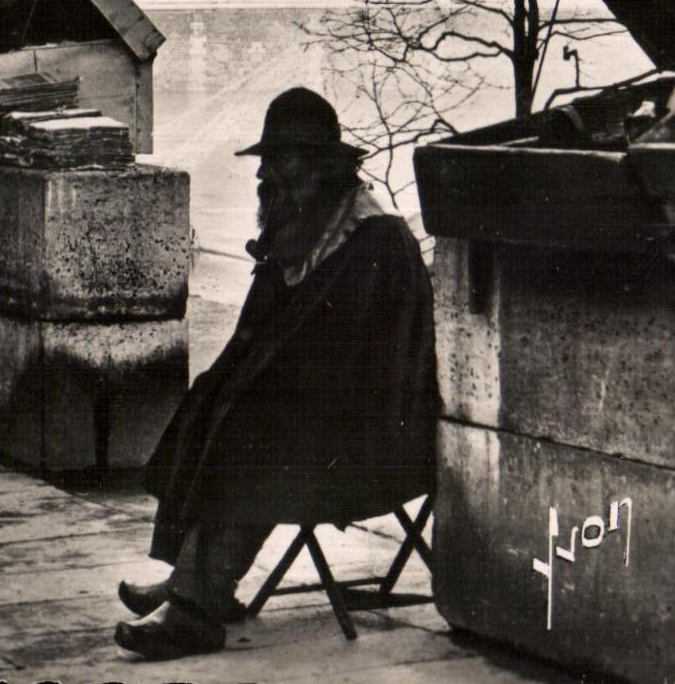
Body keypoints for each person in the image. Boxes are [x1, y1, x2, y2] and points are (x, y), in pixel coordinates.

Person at [114, 85, 438, 662]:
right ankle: (192, 580)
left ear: (325, 168)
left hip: (370, 437)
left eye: (283, 161)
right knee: (213, 398)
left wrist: (266, 394)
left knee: (254, 429)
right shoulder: (296, 238)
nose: (267, 177)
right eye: (266, 163)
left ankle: (196, 608)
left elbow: (371, 368)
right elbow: (252, 345)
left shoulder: (374, 240)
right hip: (314, 423)